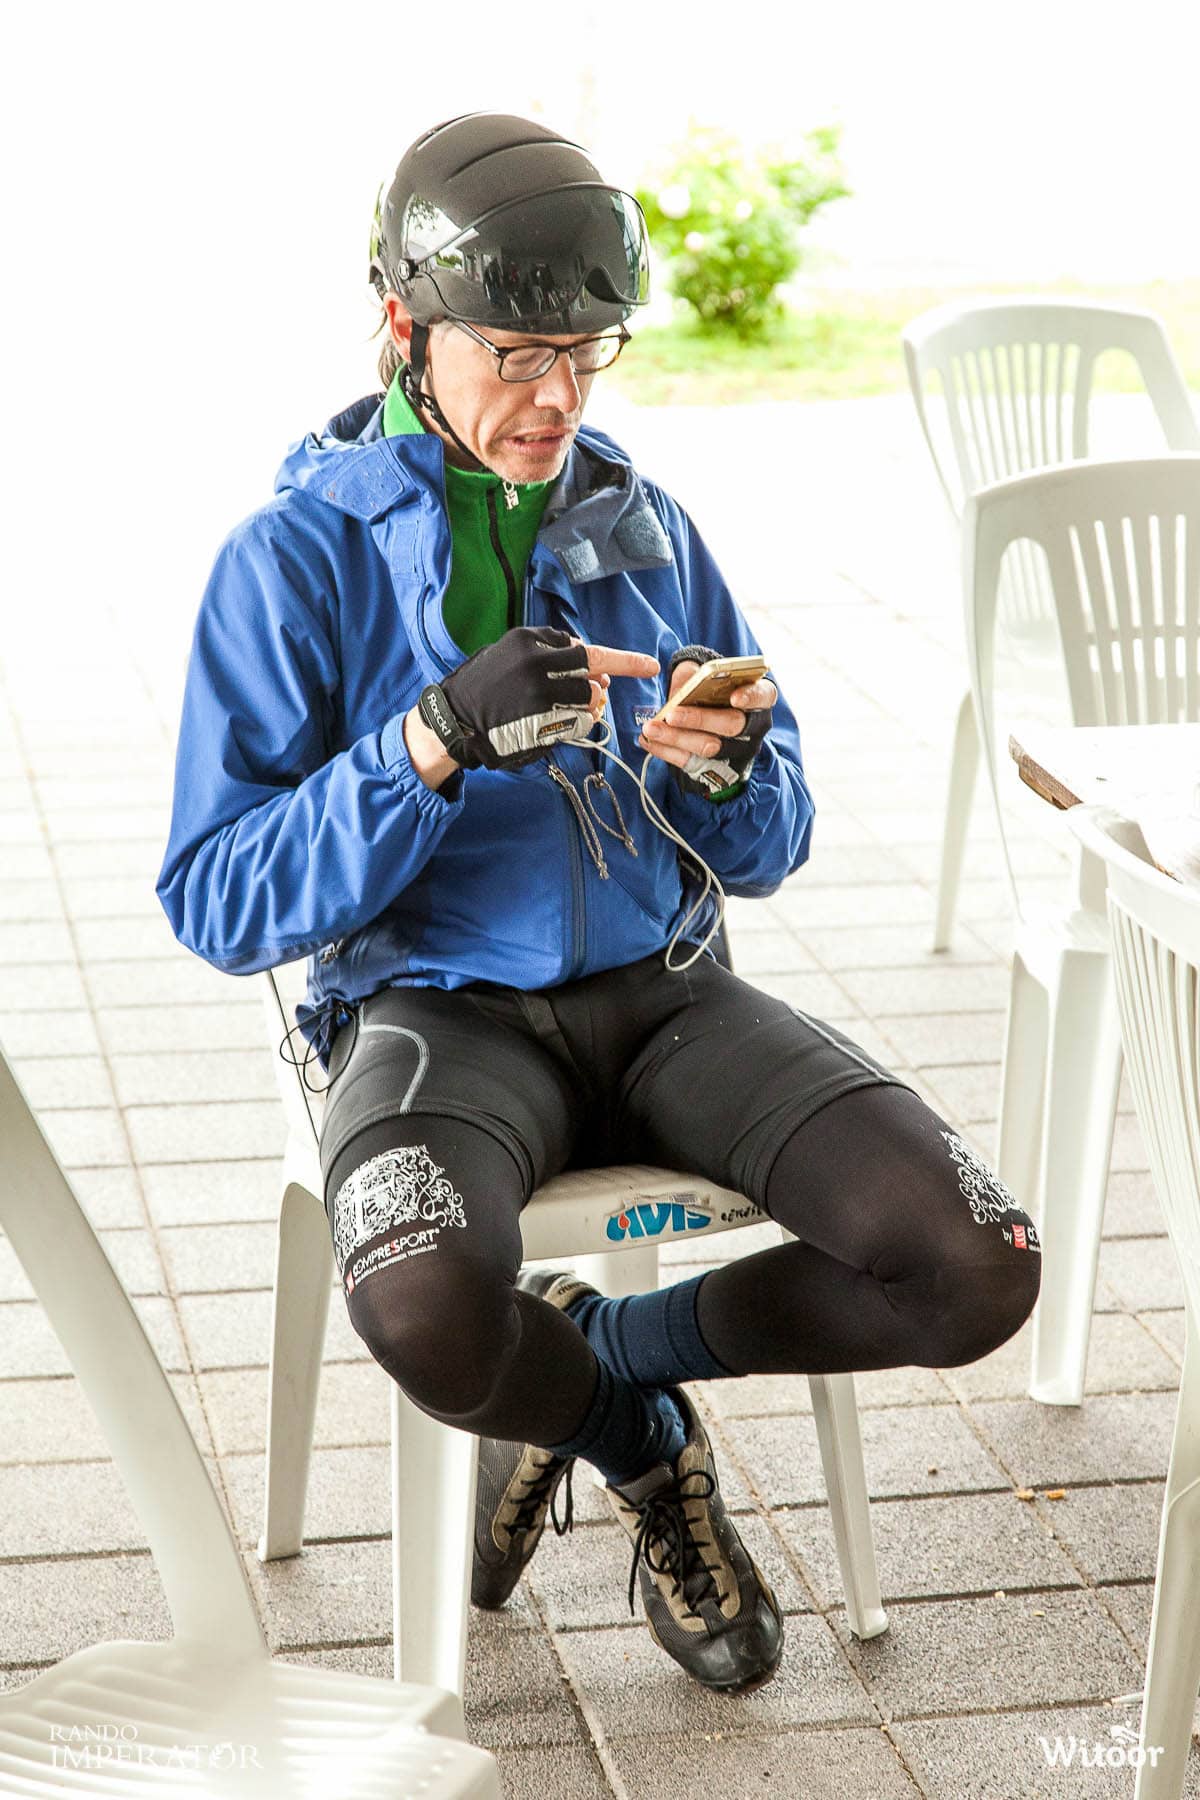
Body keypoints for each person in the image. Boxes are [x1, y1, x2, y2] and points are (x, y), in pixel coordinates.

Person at [158, 111, 1042, 1695]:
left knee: (984, 1262)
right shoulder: (288, 561)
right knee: (428, 1311)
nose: (558, 398)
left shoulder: (646, 528)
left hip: (669, 999)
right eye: (515, 354)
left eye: (586, 354)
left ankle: (595, 1352)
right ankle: (639, 1445)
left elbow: (771, 842)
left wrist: (727, 774)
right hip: (432, 1018)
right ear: (404, 326)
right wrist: (428, 742)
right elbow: (217, 901)